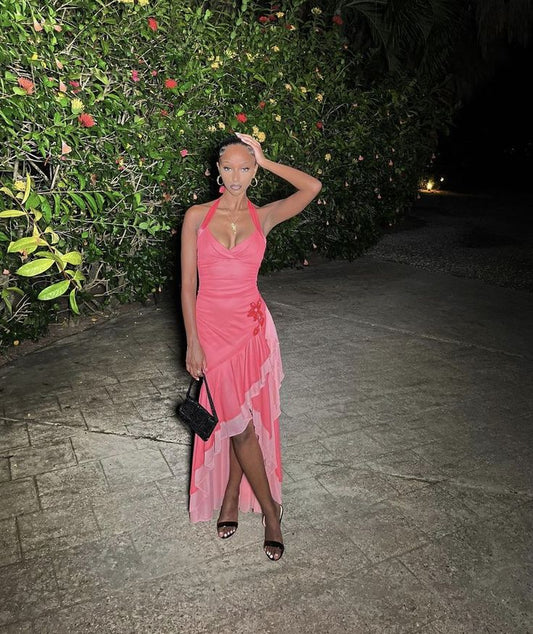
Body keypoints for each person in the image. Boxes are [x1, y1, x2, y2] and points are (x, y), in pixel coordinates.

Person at [180, 132, 321, 561]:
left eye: (245, 168)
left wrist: (267, 158)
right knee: (238, 424)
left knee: (240, 417)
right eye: (229, 167)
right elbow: (187, 286)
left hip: (252, 330)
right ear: (217, 170)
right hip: (212, 332)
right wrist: (192, 341)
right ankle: (270, 509)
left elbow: (311, 187)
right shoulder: (197, 216)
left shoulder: (263, 217)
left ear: (255, 171)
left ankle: (243, 501)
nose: (236, 176)